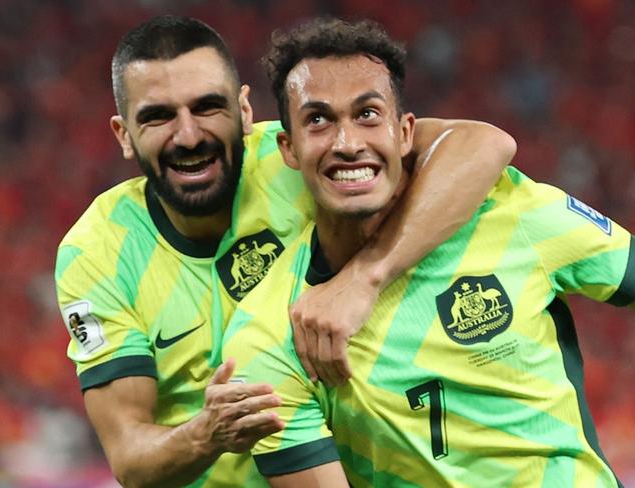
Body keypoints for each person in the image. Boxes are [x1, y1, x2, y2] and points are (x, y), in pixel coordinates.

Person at [54, 15, 516, 488]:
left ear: (246, 111)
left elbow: (483, 144)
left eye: (208, 107)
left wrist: (365, 277)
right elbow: (131, 459)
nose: (188, 135)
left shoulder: (306, 158)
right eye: (158, 116)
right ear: (123, 134)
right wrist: (206, 434)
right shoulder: (97, 252)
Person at [223, 17, 634, 488]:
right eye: (318, 120)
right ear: (288, 148)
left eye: (367, 114)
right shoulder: (268, 335)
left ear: (405, 133)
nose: (348, 143)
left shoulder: (508, 209)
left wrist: (365, 277)